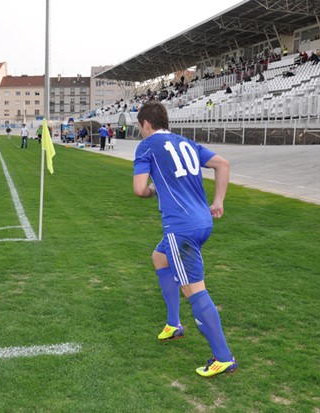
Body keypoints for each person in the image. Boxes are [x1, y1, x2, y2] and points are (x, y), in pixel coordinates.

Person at [132, 101, 236, 378]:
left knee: (193, 289)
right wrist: (219, 202)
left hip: (181, 227)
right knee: (159, 258)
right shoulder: (187, 143)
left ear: (146, 124)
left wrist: (154, 191)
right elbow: (222, 164)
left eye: (139, 127)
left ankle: (223, 357)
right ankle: (173, 324)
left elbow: (139, 189)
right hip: (201, 220)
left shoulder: (146, 146)